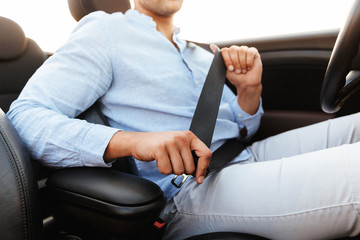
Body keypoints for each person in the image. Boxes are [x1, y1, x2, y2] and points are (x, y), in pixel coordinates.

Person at [7, 0, 360, 239]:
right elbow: (25, 118)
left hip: (242, 156)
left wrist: (249, 93)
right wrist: (131, 141)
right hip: (189, 190)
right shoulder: (104, 32)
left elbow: (241, 130)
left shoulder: (200, 51)